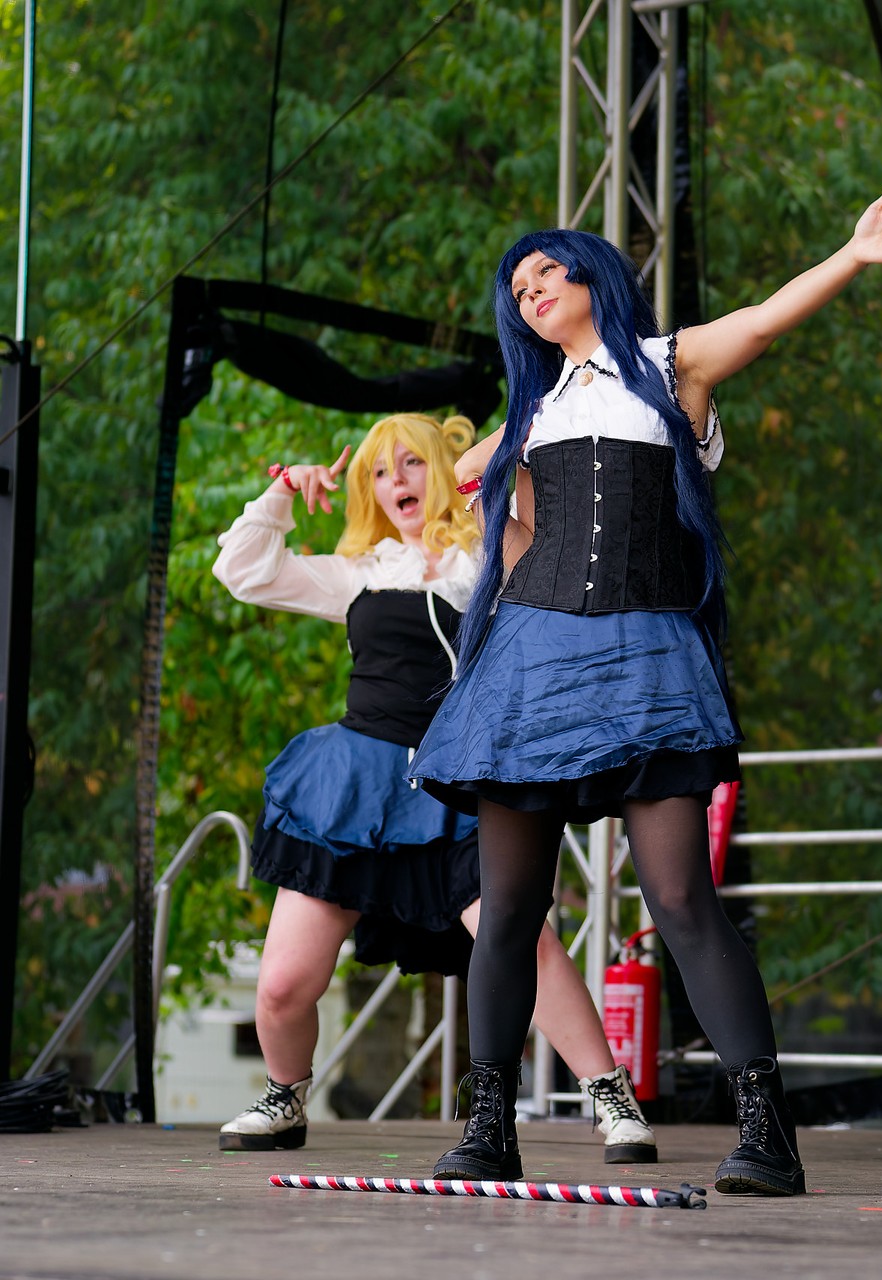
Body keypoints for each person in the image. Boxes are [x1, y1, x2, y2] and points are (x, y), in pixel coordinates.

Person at [409, 183, 882, 1193]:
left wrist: (852, 255)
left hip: (648, 656)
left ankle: (767, 1134)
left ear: (594, 277)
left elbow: (764, 320)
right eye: (518, 288)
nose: (531, 291)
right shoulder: (532, 408)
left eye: (547, 272)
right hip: (532, 664)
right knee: (510, 902)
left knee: (680, 897)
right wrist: (485, 496)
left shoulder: (668, 366)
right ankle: (489, 1127)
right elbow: (503, 521)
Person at [211, 412, 656, 1164]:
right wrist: (284, 491)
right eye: (381, 472)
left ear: (441, 470)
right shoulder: (359, 570)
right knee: (282, 983)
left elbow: (561, 558)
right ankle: (284, 1095)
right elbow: (243, 569)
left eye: (411, 463)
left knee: (528, 943)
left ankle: (611, 1098)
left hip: (456, 782)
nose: (397, 481)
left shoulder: (487, 554)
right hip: (354, 788)